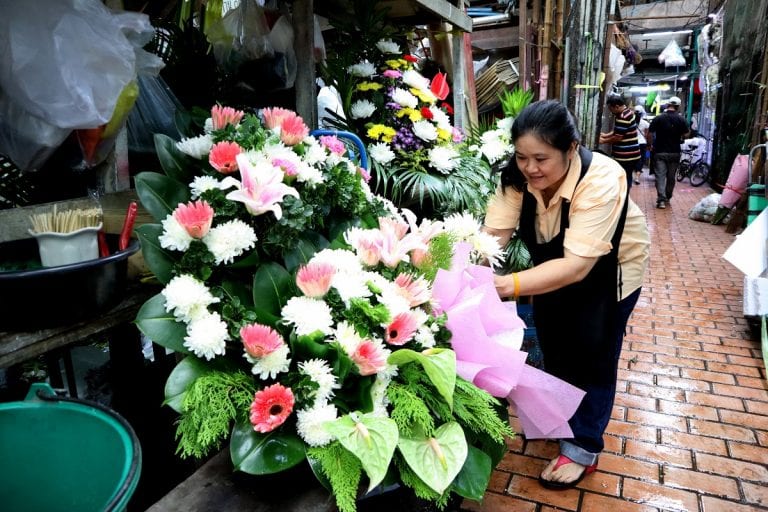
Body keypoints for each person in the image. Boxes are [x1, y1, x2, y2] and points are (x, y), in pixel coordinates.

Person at [482, 100, 650, 490]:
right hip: (550, 268)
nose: (530, 168)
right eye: (522, 157)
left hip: (609, 270)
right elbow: (490, 242)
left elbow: (577, 266)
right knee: (556, 342)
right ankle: (559, 421)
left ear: (571, 148)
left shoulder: (602, 177)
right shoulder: (516, 178)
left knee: (594, 352)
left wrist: (507, 285)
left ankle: (583, 446)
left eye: (541, 158)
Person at [648, 96, 690, 209]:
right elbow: (687, 134)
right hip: (675, 153)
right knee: (671, 177)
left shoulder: (658, 118)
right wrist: (680, 136)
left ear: (667, 105)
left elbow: (650, 133)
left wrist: (650, 145)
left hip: (660, 152)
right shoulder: (681, 120)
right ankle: (668, 196)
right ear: (678, 107)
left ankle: (661, 200)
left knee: (660, 176)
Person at [599, 95, 641, 188]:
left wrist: (603, 141)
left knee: (624, 179)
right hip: (631, 154)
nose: (610, 112)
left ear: (617, 107)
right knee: (626, 176)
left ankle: (624, 198)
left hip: (626, 156)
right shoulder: (627, 112)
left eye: (611, 109)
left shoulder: (623, 116)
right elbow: (618, 130)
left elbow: (618, 137)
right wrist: (605, 135)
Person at [633, 105, 650, 184]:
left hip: (632, 143)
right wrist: (649, 144)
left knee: (632, 159)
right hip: (642, 143)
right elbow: (646, 135)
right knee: (640, 160)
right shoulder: (645, 123)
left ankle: (631, 174)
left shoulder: (631, 121)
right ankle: (637, 177)